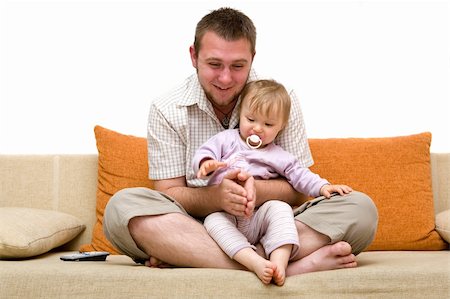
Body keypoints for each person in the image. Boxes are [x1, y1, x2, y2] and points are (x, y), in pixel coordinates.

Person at [103, 7, 378, 278]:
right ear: (193, 55)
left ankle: (194, 256)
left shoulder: (281, 100)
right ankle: (279, 265)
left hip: (271, 221)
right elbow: (169, 193)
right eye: (214, 64)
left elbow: (298, 191)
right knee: (122, 209)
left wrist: (253, 191)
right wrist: (217, 197)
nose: (225, 78)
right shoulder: (166, 108)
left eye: (238, 66)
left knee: (361, 209)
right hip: (201, 226)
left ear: (252, 58)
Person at [194, 79, 353, 285]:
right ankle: (254, 262)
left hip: (259, 217)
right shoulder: (227, 139)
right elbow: (206, 151)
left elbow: (299, 174)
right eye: (250, 119)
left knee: (279, 208)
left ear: (280, 127)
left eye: (268, 124)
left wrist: (323, 186)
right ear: (240, 114)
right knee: (213, 221)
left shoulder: (278, 155)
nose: (257, 129)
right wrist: (207, 164)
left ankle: (279, 262)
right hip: (226, 214)